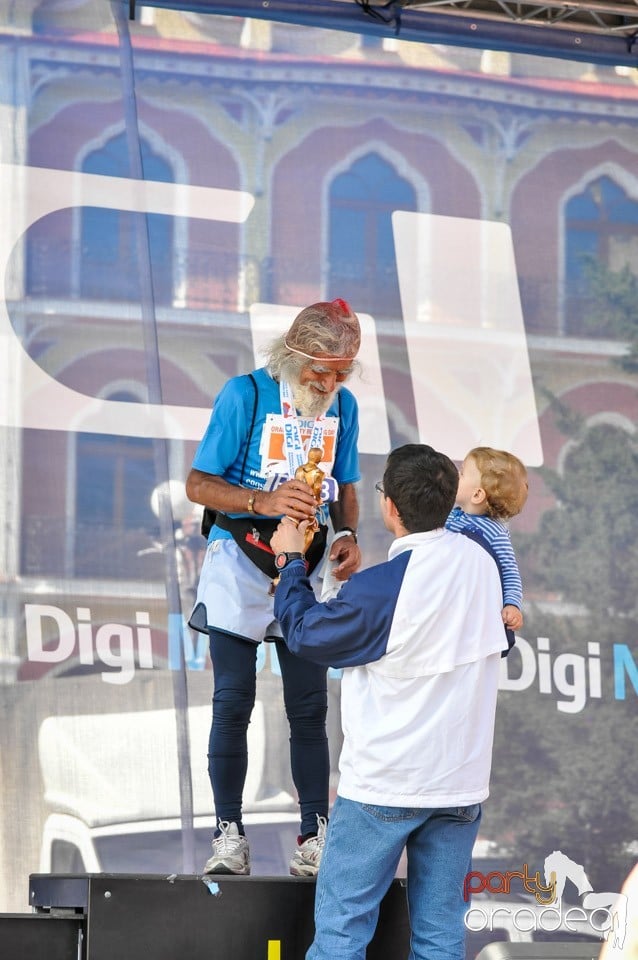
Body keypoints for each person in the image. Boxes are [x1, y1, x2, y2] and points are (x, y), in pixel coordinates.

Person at [270, 443, 507, 960]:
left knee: (340, 937)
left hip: (384, 786)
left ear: (390, 507)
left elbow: (307, 634)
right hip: (459, 788)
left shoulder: (384, 587)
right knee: (440, 938)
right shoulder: (483, 565)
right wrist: (349, 590)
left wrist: (290, 560)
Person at [185, 299, 363, 878]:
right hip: (239, 556)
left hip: (304, 563)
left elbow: (349, 482)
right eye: (322, 370)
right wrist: (262, 501)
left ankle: (315, 835)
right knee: (232, 701)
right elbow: (197, 483)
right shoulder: (245, 394)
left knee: (309, 708)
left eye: (342, 372)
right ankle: (228, 835)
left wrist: (349, 534)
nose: (330, 382)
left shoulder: (346, 406)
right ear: (292, 353)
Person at [446, 446, 528, 632]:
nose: (456, 476)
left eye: (462, 474)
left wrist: (512, 604)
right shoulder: (450, 515)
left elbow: (509, 571)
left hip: (472, 609)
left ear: (477, 495)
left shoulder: (495, 532)